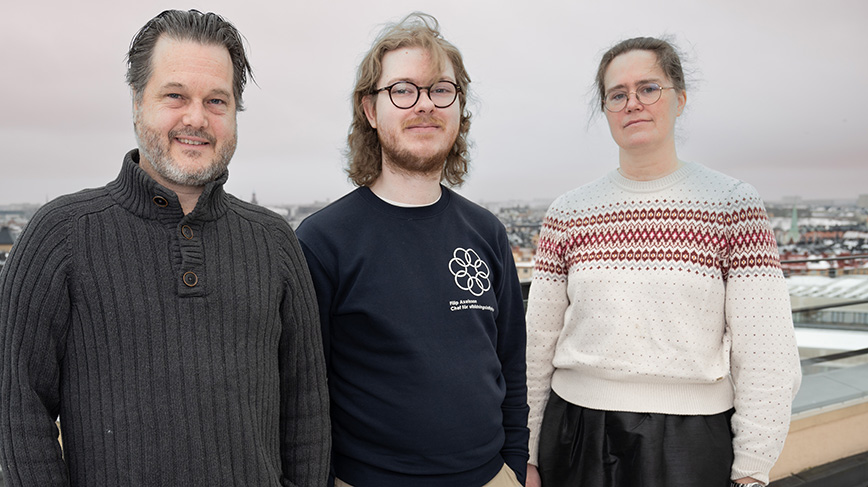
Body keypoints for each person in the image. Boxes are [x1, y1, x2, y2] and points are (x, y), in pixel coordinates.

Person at [0, 10, 329, 486]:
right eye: (175, 95)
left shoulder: (275, 242)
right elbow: (18, 412)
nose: (196, 118)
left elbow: (307, 414)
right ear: (137, 102)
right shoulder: (59, 236)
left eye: (217, 100)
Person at [525, 37, 802, 487]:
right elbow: (537, 344)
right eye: (618, 94)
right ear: (606, 109)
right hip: (574, 434)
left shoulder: (731, 204)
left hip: (689, 442)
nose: (633, 103)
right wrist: (529, 449)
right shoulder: (568, 212)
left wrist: (752, 470)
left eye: (648, 88)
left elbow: (766, 351)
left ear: (680, 99)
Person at [295, 12, 528, 487]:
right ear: (369, 110)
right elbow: (302, 393)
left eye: (441, 89)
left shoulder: (487, 232)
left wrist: (515, 467)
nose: (424, 104)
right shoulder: (322, 240)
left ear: (459, 107)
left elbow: (510, 365)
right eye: (403, 90)